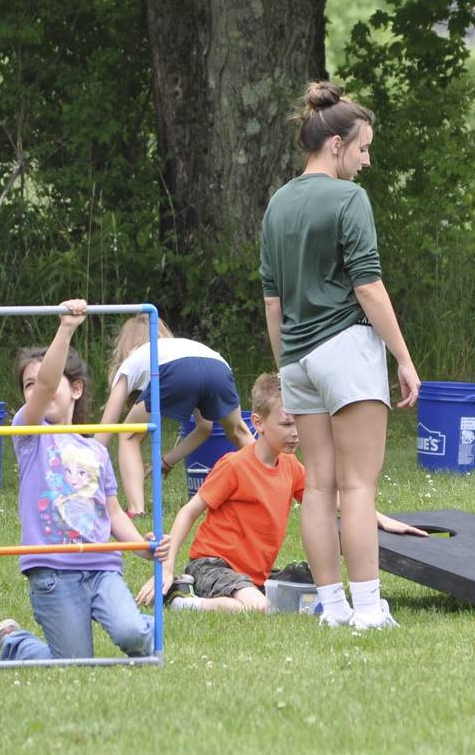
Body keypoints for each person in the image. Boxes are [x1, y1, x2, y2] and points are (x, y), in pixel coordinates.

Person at [260, 81, 420, 630]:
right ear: (335, 145)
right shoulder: (349, 198)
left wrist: (286, 364)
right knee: (358, 485)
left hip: (298, 358)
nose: (367, 160)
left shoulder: (278, 203)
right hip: (345, 349)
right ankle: (370, 610)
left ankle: (332, 609)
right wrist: (403, 357)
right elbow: (369, 289)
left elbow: (273, 301)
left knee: (319, 486)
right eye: (363, 148)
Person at [139, 373, 426, 613]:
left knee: (318, 586)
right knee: (256, 608)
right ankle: (183, 600)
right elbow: (189, 511)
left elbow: (330, 499)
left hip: (256, 574)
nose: (296, 432)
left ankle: (248, 592)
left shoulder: (290, 465)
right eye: (287, 424)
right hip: (212, 565)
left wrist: (376, 517)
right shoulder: (235, 465)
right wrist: (166, 567)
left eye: (299, 423)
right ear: (258, 423)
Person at [0, 300, 169, 662]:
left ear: (75, 389)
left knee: (133, 634)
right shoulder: (29, 436)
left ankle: (137, 625)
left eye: (51, 381)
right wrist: (66, 329)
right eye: (27, 385)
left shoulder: (97, 451)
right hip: (53, 574)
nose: (37, 389)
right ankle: (16, 643)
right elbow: (44, 387)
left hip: (101, 568)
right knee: (75, 665)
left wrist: (141, 547)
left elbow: (114, 513)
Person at [95, 314, 256, 521]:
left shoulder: (131, 363)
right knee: (238, 431)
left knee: (128, 434)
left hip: (177, 372)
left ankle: (136, 510)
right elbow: (204, 428)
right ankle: (271, 486)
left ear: (125, 345)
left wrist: (86, 460)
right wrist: (167, 462)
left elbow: (106, 429)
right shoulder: (182, 346)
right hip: (219, 366)